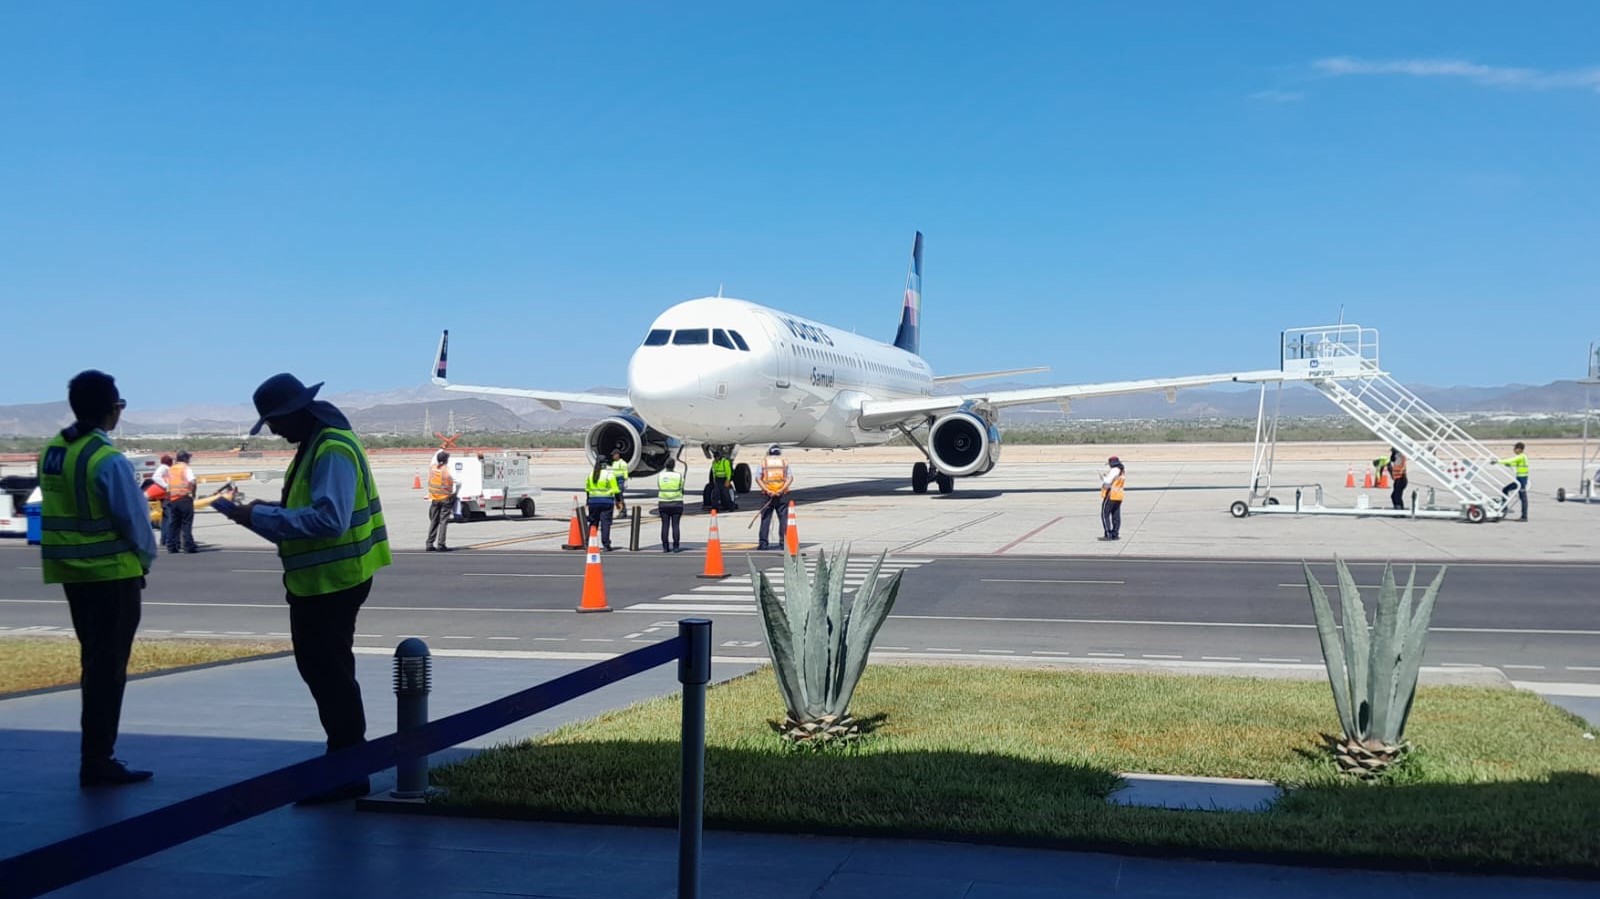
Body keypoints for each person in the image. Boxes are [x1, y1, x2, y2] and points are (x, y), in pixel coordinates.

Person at [216, 373, 391, 804]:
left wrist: (255, 518)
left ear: (297, 412)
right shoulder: (318, 445)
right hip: (324, 581)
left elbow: (328, 521)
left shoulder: (331, 449)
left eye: (275, 421)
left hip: (332, 582)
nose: (274, 431)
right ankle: (344, 763)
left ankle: (347, 770)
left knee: (328, 675)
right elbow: (309, 510)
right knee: (327, 673)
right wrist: (262, 510)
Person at [38, 370, 158, 787]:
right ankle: (98, 758)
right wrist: (145, 560)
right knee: (108, 670)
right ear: (113, 409)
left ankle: (96, 754)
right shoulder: (106, 459)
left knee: (94, 663)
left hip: (72, 575)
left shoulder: (53, 451)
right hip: (112, 576)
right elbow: (135, 522)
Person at [756, 445, 793, 551]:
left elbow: (758, 478)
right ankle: (783, 544)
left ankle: (763, 544)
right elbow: (790, 478)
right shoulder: (784, 462)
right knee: (783, 520)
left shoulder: (764, 462)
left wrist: (768, 490)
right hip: (782, 494)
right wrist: (781, 490)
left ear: (770, 452)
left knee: (765, 519)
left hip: (768, 495)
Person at [164, 450, 198, 553]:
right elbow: (193, 481)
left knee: (174, 523)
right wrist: (194, 492)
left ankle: (171, 546)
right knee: (186, 523)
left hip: (173, 499)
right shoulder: (185, 468)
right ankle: (188, 546)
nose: (189, 460)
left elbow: (167, 484)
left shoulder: (171, 469)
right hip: (184, 497)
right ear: (185, 459)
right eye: (188, 458)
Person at [584, 458, 619, 551]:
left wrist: (588, 501)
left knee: (593, 523)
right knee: (605, 524)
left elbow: (587, 489)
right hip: (606, 502)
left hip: (593, 502)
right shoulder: (609, 475)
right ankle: (606, 544)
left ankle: (589, 542)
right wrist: (619, 502)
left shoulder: (591, 474)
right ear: (605, 464)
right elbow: (615, 490)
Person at [425, 450, 456, 552]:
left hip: (434, 498)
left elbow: (435, 456)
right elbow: (457, 481)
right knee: (443, 522)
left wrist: (442, 447)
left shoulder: (433, 468)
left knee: (434, 521)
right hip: (445, 499)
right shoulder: (448, 470)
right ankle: (441, 544)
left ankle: (429, 543)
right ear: (446, 460)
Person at [657, 457, 685, 553]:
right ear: (674, 466)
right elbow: (682, 488)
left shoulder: (660, 476)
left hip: (663, 503)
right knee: (675, 525)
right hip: (676, 502)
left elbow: (659, 486)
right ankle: (676, 546)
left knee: (665, 525)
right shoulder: (679, 476)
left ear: (665, 465)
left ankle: (665, 547)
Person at [1499, 442, 1530, 521]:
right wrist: (1509, 464)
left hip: (1522, 480)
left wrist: (1498, 461)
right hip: (1519, 479)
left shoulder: (1521, 457)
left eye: (1515, 448)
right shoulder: (1522, 457)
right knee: (1505, 490)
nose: (1513, 450)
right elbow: (1515, 463)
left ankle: (1524, 516)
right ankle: (1504, 508)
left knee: (1523, 497)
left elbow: (1511, 460)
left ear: (1519, 449)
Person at [148, 453, 174, 548]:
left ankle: (164, 539)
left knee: (166, 518)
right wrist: (166, 486)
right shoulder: (164, 468)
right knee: (169, 517)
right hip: (165, 496)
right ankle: (167, 539)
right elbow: (155, 477)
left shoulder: (165, 468)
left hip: (164, 496)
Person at [1099, 456, 1125, 540]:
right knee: (1116, 515)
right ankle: (1115, 533)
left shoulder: (1114, 470)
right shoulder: (1122, 471)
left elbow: (1108, 481)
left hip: (1111, 495)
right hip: (1119, 496)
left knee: (1105, 514)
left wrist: (1103, 478)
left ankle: (1108, 533)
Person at [610, 450, 631, 516]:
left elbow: (625, 472)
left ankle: (623, 511)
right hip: (614, 481)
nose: (613, 456)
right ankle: (620, 510)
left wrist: (625, 481)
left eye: (614, 455)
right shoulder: (614, 463)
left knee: (620, 496)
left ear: (617, 455)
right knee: (617, 497)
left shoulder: (623, 463)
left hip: (620, 480)